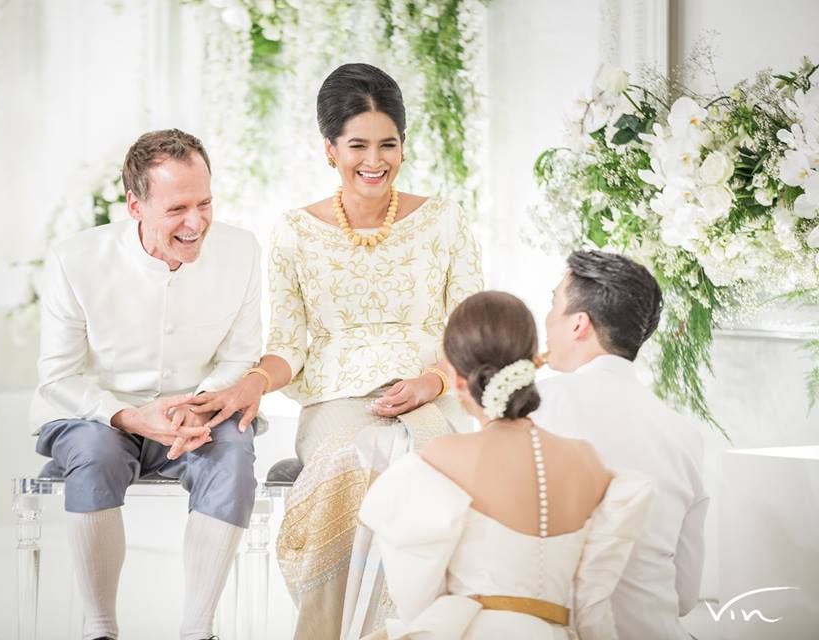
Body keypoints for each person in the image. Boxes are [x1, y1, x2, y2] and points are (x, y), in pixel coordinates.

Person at [188, 63, 483, 639]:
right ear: (330, 149)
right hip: (337, 405)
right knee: (362, 453)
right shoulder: (294, 232)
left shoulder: (445, 221)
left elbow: (471, 334)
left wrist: (431, 383)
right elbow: (287, 347)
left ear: (403, 145)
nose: (374, 160)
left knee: (417, 457)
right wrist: (252, 383)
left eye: (388, 144)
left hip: (433, 395)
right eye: (357, 146)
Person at [29, 129, 262, 640]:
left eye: (204, 203)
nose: (196, 222)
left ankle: (198, 629)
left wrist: (197, 406)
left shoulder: (242, 250)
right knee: (95, 454)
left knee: (233, 452)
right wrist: (131, 417)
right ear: (135, 206)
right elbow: (59, 376)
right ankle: (99, 627)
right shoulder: (74, 260)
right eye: (177, 209)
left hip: (198, 411)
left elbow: (241, 356)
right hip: (98, 415)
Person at [359, 291, 655, 639]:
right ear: (530, 364)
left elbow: (414, 599)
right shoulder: (587, 461)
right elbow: (592, 606)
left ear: (456, 379)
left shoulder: (440, 459)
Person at [533, 249, 708, 639]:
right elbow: (684, 596)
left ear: (579, 324)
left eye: (553, 303)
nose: (546, 319)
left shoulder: (536, 406)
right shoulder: (685, 436)